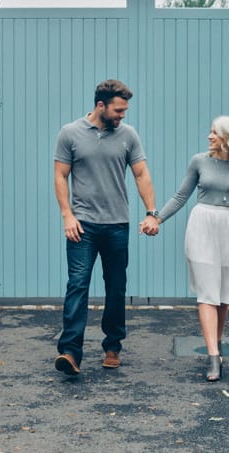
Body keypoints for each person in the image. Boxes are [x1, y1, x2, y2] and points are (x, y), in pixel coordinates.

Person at [53, 79, 160, 376]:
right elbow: (61, 176)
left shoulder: (128, 135)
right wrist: (67, 215)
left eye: (124, 110)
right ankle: (70, 352)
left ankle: (113, 345)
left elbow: (141, 174)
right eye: (118, 110)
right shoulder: (70, 133)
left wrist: (152, 212)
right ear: (100, 105)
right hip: (82, 226)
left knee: (116, 287)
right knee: (77, 285)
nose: (122, 115)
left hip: (116, 225)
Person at [155, 116, 229, 381]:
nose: (209, 136)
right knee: (207, 292)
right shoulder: (199, 161)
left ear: (228, 137)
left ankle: (217, 344)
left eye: (214, 132)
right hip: (202, 227)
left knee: (223, 296)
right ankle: (213, 356)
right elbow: (181, 196)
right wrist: (157, 217)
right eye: (210, 131)